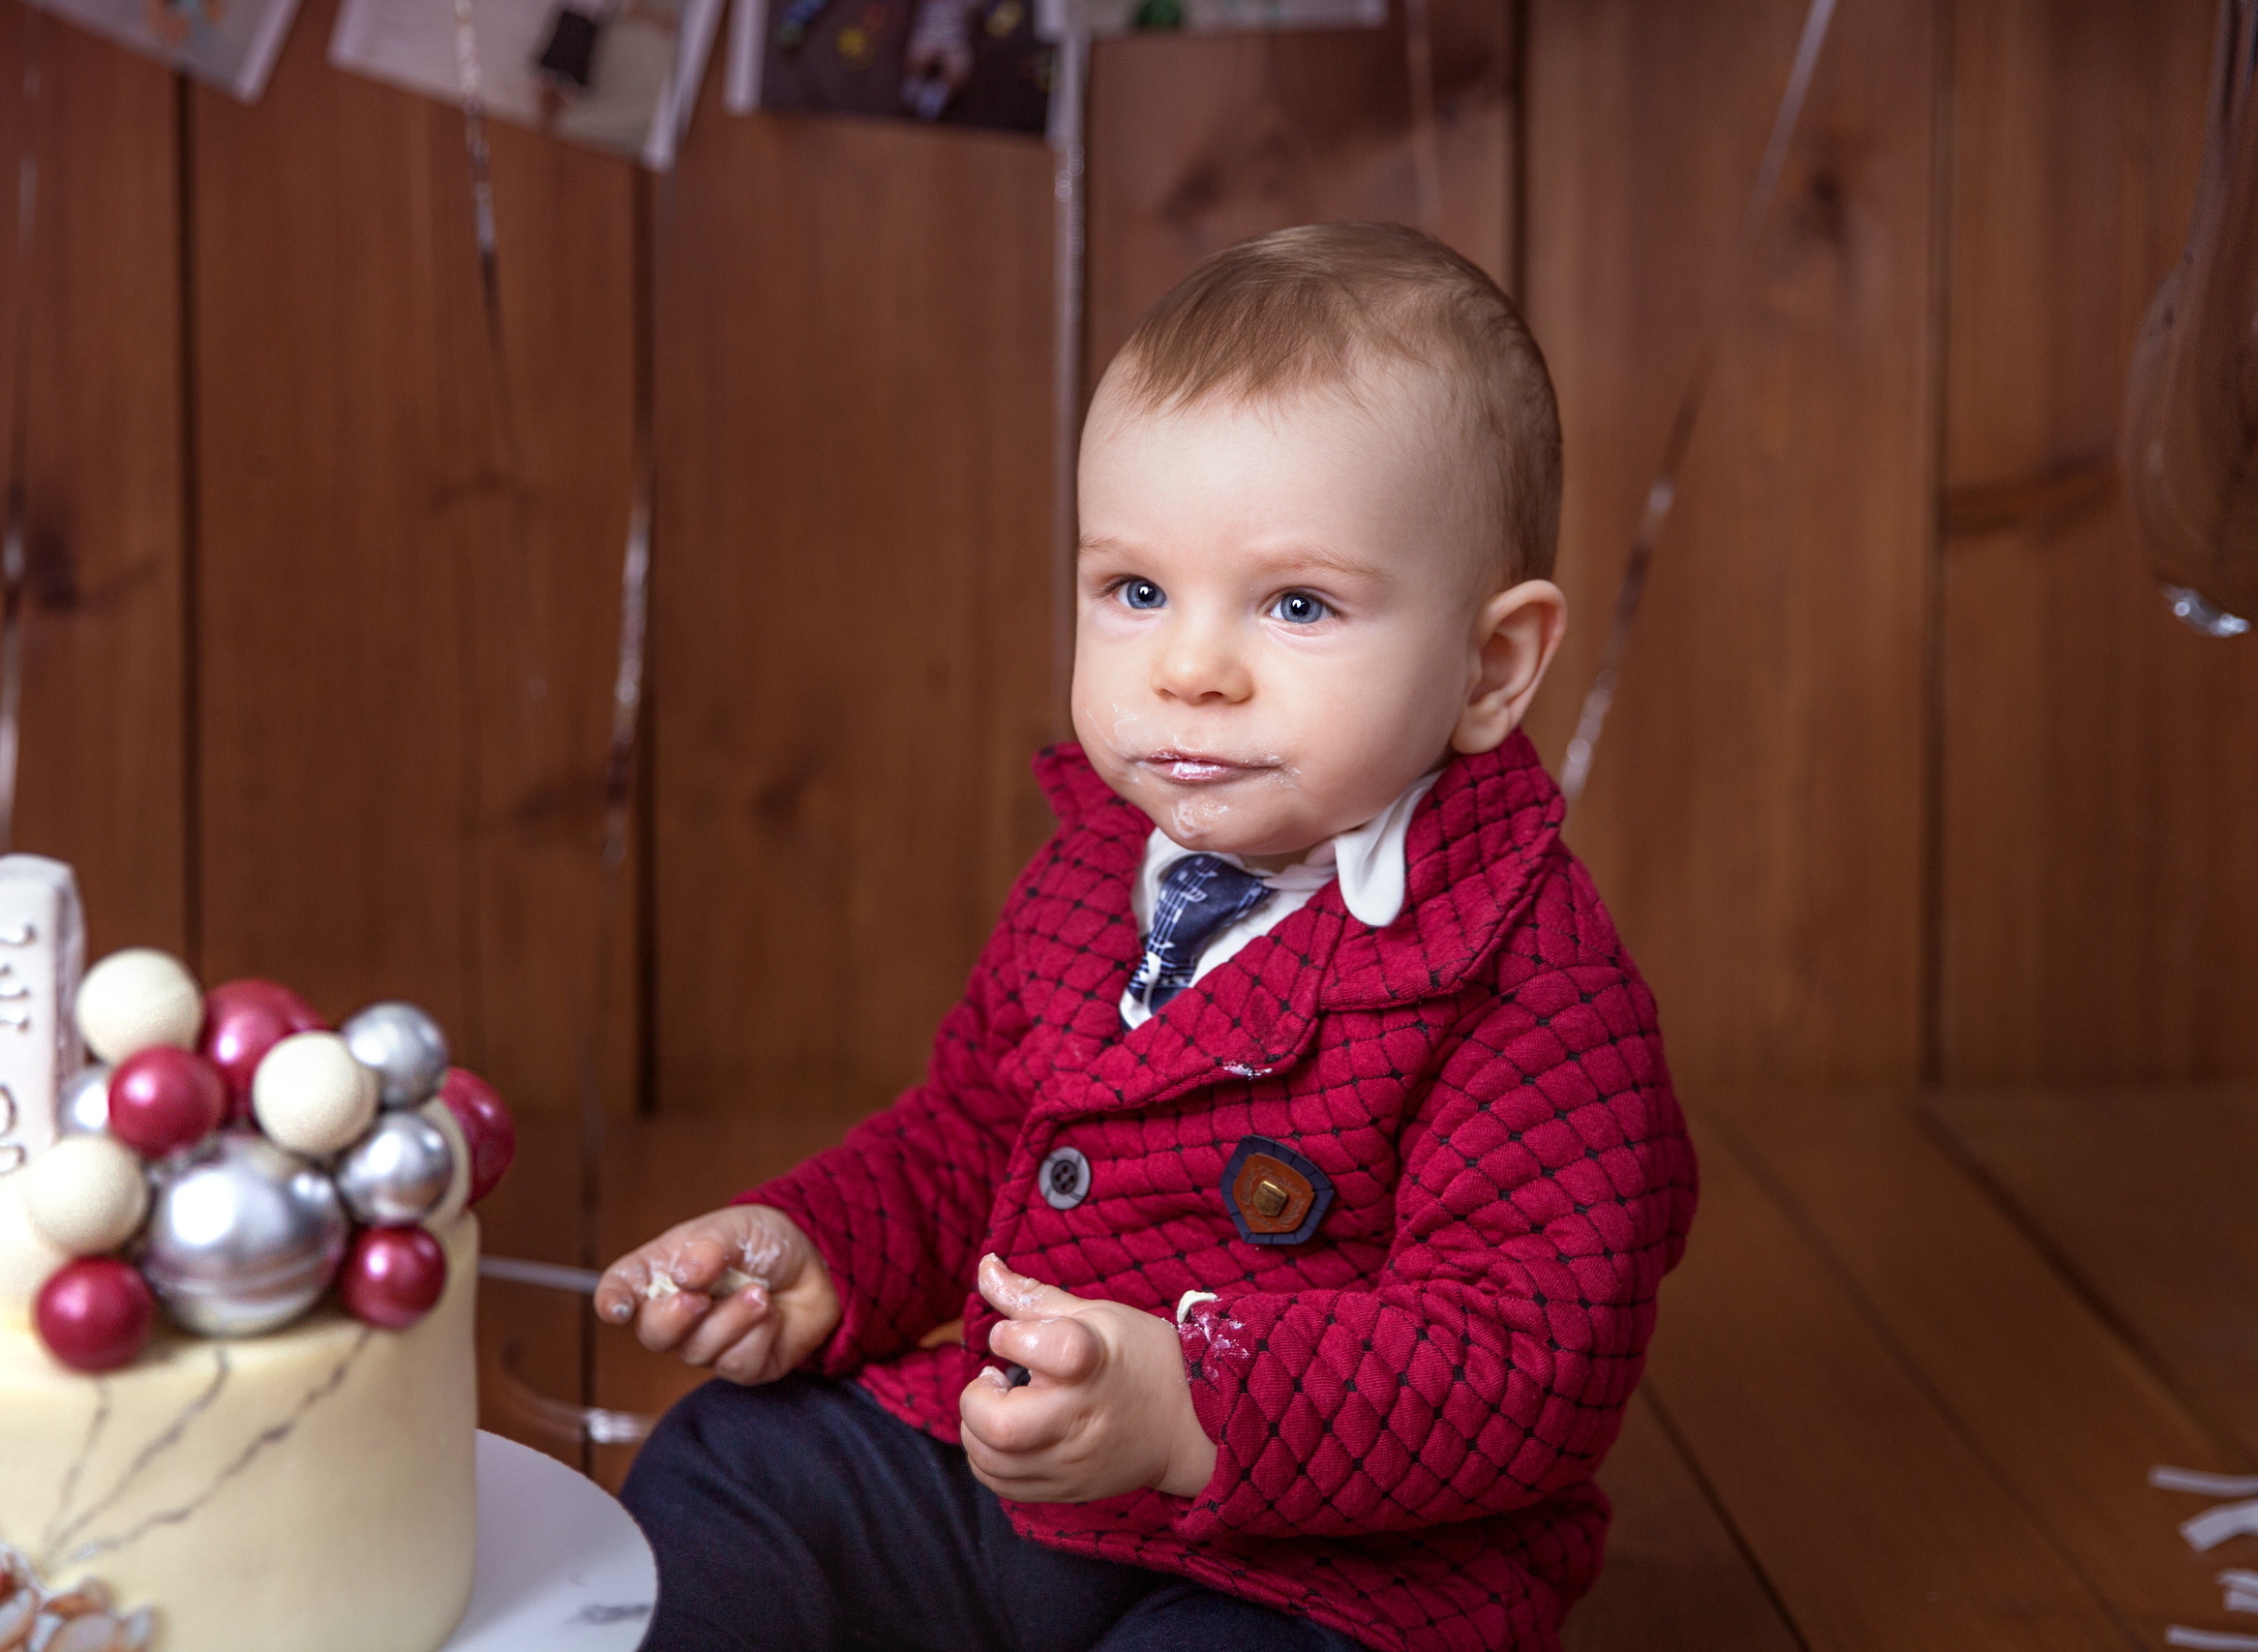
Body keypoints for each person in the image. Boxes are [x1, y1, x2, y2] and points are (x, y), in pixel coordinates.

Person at [594, 222, 1698, 1652]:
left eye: (1297, 605)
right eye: (1135, 591)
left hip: (1328, 1572)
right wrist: (822, 1250)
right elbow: (971, 1132)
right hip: (1025, 1482)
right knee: (731, 1469)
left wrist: (1192, 1408)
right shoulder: (1093, 879)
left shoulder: (1523, 978)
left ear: (1489, 668)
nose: (1187, 669)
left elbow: (1529, 1356)